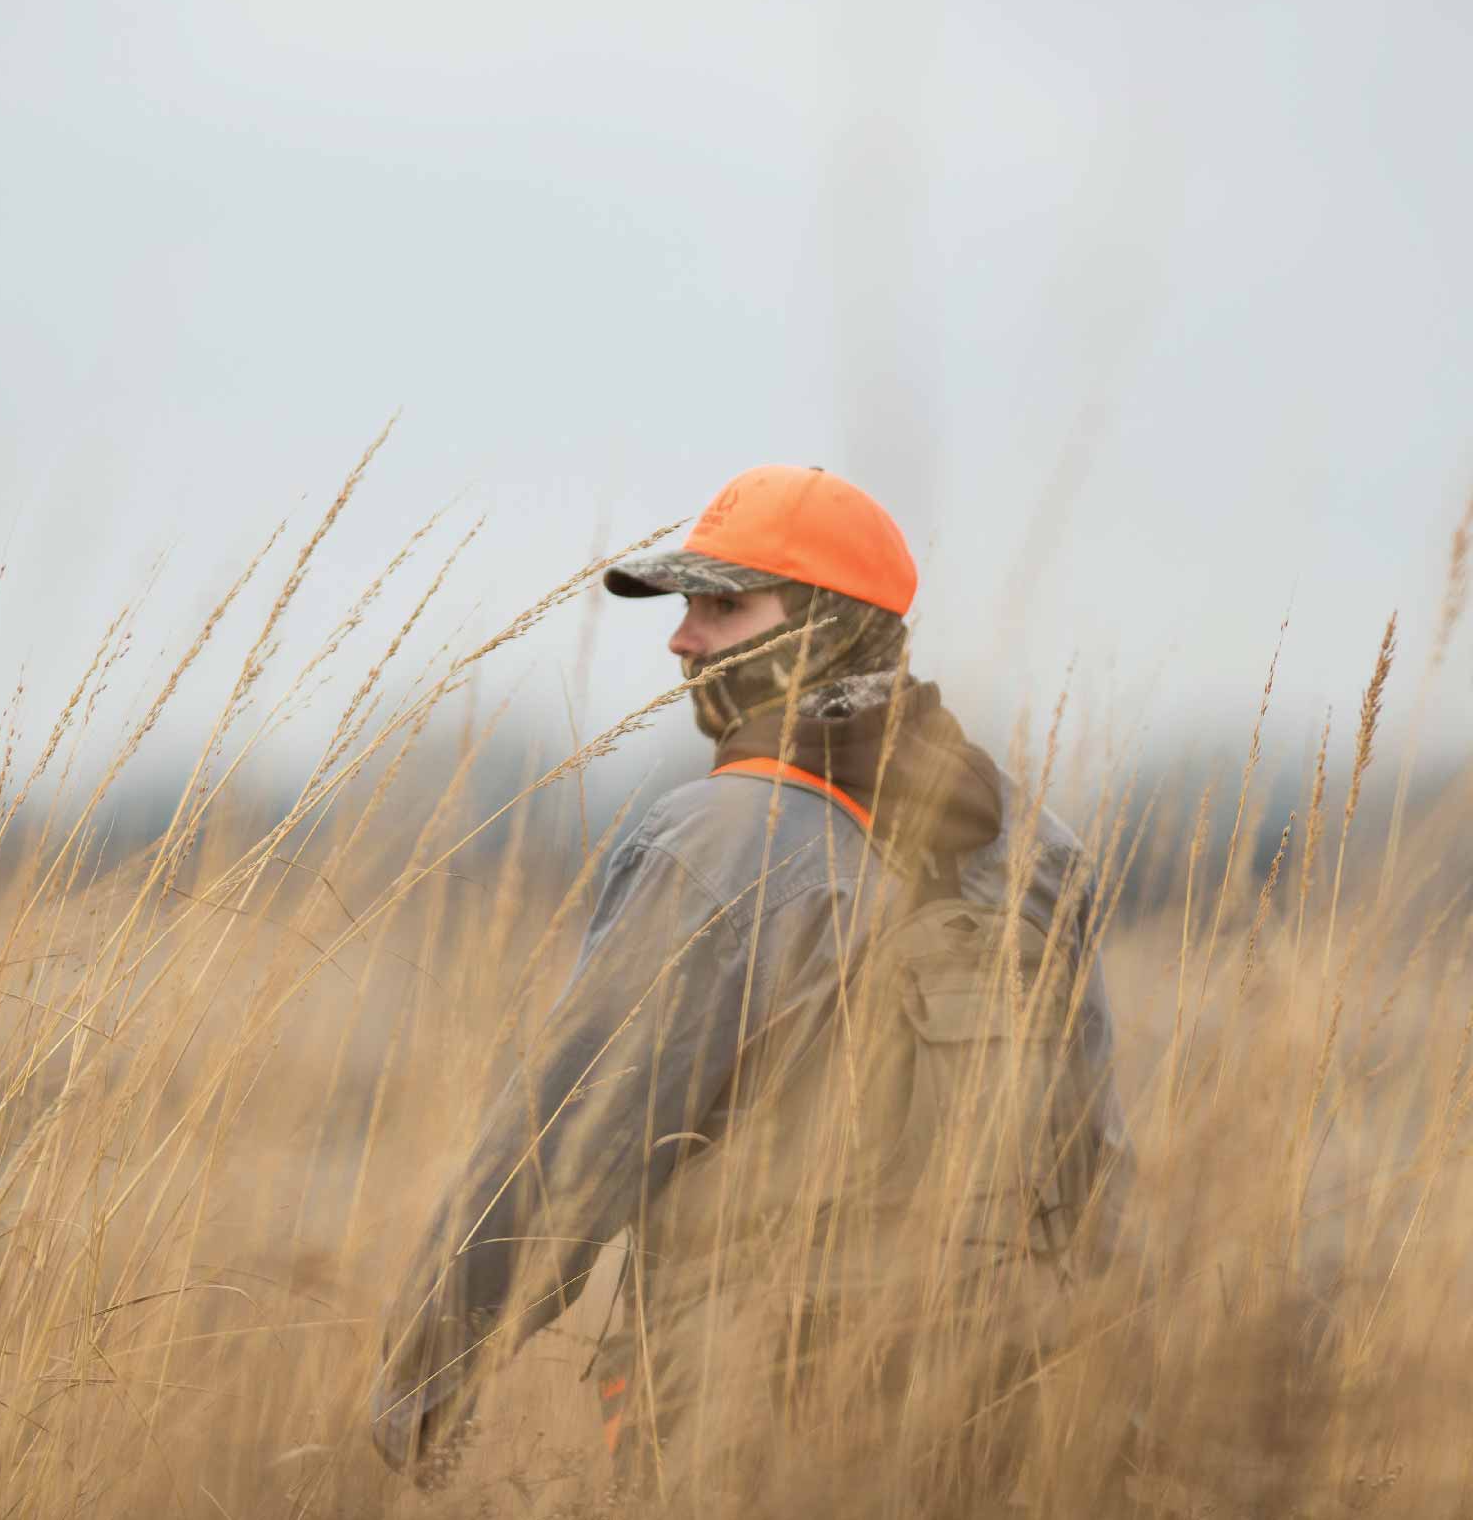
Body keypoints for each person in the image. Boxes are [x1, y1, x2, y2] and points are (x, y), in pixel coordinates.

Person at [368, 464, 1133, 1501]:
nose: (682, 638)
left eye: (722, 606)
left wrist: (428, 1378)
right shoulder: (1039, 846)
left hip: (749, 1427)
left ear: (822, 626)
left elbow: (569, 1147)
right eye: (685, 605)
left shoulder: (716, 843)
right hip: (1001, 1408)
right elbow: (1092, 1173)